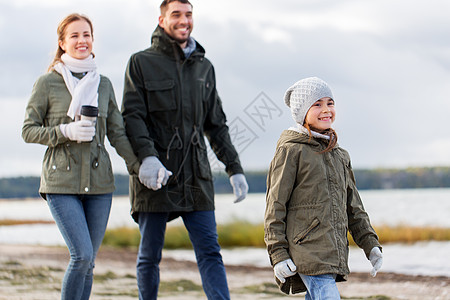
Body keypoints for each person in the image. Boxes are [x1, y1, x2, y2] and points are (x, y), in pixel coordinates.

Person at [121, 1, 249, 299]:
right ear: (162, 19)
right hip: (156, 176)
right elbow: (132, 117)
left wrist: (235, 168)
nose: (184, 21)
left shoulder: (204, 67)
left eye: (188, 14)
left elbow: (216, 125)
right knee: (149, 255)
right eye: (176, 15)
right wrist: (147, 159)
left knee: (210, 252)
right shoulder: (140, 62)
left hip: (196, 177)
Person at [22, 13, 140, 300]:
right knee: (82, 255)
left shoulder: (104, 85)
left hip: (100, 185)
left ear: (92, 40)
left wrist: (139, 166)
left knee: (90, 263)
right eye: (74, 36)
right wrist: (65, 130)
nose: (81, 40)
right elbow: (28, 130)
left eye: (86, 34)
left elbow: (117, 134)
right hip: (61, 184)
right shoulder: (47, 83)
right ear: (62, 43)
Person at [264, 77, 383, 299]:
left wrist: (370, 244)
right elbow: (275, 206)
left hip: (332, 251)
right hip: (305, 250)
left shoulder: (340, 155)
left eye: (330, 103)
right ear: (302, 112)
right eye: (317, 104)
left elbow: (354, 207)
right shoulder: (291, 152)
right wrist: (278, 254)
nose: (326, 110)